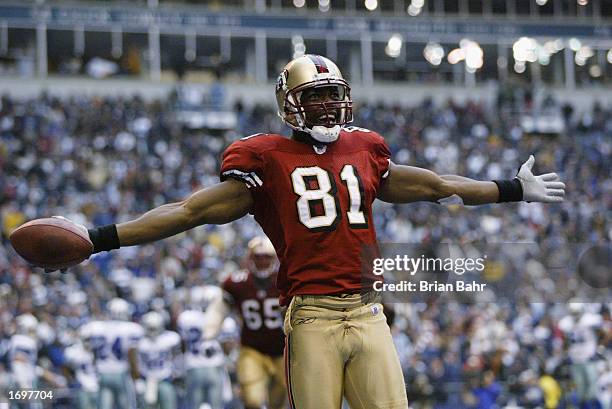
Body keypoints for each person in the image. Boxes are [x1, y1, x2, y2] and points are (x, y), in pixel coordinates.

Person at [60, 54, 565, 408]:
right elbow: (190, 211)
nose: (327, 107)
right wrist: (100, 238)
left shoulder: (366, 148)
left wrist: (509, 189)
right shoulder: (264, 158)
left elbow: (435, 184)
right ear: (290, 104)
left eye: (333, 96)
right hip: (313, 316)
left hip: (368, 312)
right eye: (315, 97)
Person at [205, 236, 286, 409]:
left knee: (279, 402)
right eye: (258, 257)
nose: (262, 261)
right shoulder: (237, 283)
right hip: (251, 349)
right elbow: (219, 308)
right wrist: (209, 333)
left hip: (283, 351)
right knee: (253, 400)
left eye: (266, 257)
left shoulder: (285, 280)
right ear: (250, 258)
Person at [79, 298, 143, 409]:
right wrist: (136, 374)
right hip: (121, 372)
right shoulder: (130, 329)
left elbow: (92, 351)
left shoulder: (97, 327)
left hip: (103, 372)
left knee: (104, 406)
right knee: (127, 405)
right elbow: (131, 353)